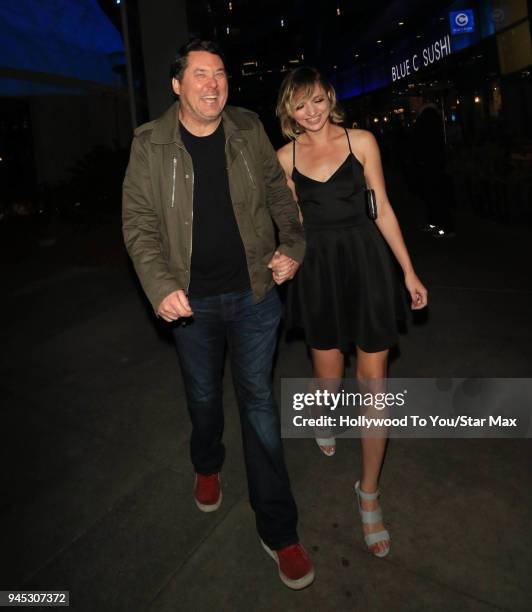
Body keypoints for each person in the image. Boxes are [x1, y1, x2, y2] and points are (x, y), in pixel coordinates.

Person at [122, 40, 314, 590]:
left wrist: (293, 248)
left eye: (221, 74)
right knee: (204, 398)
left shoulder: (248, 130)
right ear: (177, 86)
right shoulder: (150, 145)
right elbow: (137, 223)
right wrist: (159, 286)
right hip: (191, 305)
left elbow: (281, 199)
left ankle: (280, 531)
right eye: (201, 75)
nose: (214, 83)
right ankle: (207, 462)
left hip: (255, 295)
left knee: (258, 406)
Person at [276, 67, 428, 558]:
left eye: (317, 100)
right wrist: (279, 257)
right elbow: (290, 227)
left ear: (330, 98)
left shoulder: (362, 141)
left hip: (366, 265)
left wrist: (408, 272)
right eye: (301, 105)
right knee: (328, 381)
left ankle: (368, 495)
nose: (312, 111)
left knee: (374, 382)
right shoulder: (285, 158)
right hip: (319, 272)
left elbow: (381, 207)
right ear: (289, 112)